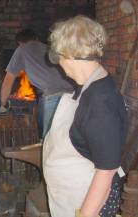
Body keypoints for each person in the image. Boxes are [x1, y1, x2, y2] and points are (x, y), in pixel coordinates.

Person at [43, 15, 127, 217]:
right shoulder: (87, 87)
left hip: (86, 202)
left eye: (59, 55)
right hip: (70, 197)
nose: (58, 62)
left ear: (70, 54)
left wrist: (85, 214)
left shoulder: (100, 101)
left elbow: (106, 171)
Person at [0, 28, 73, 138]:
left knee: (49, 140)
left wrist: (3, 104)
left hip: (53, 96)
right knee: (67, 137)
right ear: (37, 39)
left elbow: (7, 82)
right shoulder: (48, 48)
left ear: (19, 43)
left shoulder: (21, 50)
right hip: (73, 94)